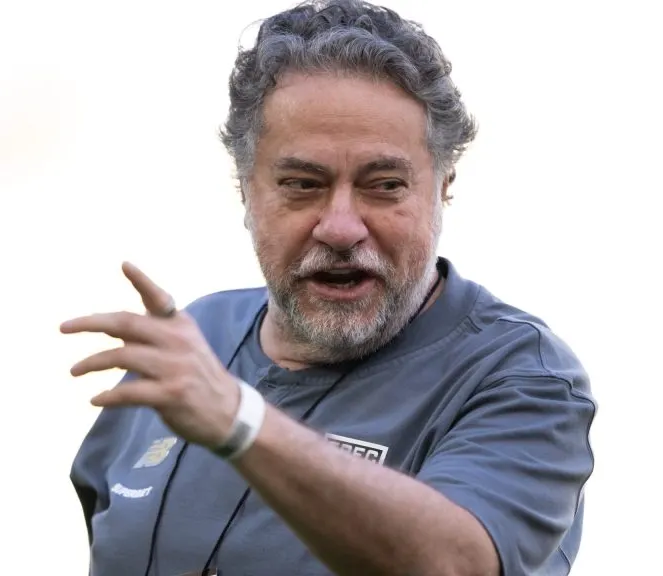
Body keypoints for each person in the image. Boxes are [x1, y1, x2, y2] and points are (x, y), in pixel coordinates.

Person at [63, 1, 596, 574]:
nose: (341, 227)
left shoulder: (520, 377)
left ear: (443, 186)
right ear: (246, 188)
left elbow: (457, 563)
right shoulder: (192, 344)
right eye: (302, 184)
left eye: (384, 185)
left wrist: (240, 421)